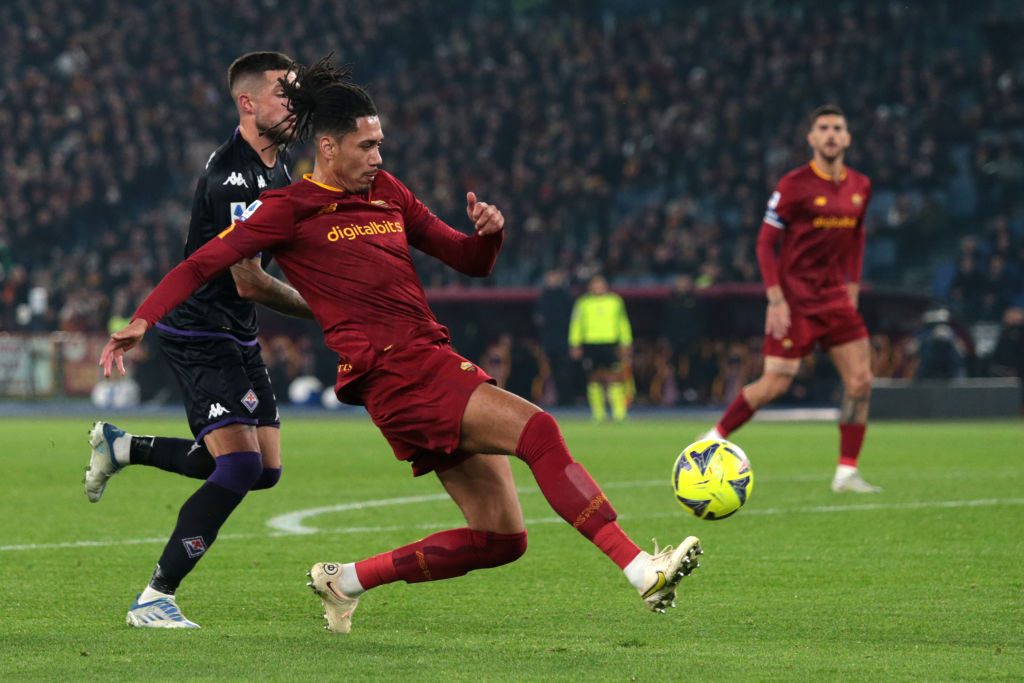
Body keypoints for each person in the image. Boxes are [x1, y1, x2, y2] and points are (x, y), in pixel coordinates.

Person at [99, 55, 703, 634]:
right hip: (398, 374)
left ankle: (345, 582)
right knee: (538, 430)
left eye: (380, 142)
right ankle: (640, 568)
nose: (378, 155)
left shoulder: (387, 190)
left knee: (501, 541)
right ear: (328, 147)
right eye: (367, 145)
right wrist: (142, 320)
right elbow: (204, 262)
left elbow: (468, 261)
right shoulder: (288, 209)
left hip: (423, 365)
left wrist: (488, 236)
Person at [85, 51, 315, 629]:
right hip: (199, 332)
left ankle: (124, 448)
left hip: (237, 332)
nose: (296, 104)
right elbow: (249, 278)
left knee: (265, 471)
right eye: (284, 94)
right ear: (248, 103)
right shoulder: (233, 176)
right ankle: (154, 596)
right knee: (237, 469)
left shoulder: (278, 168)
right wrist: (321, 311)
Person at [701, 104, 881, 493]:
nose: (831, 134)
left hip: (835, 299)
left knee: (861, 381)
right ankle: (712, 438)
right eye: (823, 128)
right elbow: (766, 242)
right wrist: (776, 299)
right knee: (776, 383)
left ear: (847, 138)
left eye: (838, 127)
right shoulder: (794, 184)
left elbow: (858, 236)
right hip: (796, 300)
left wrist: (853, 284)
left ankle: (846, 472)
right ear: (812, 138)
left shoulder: (860, 187)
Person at [568, 275, 634, 421]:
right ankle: (598, 414)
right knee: (593, 378)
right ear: (590, 287)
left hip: (611, 343)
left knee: (615, 378)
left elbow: (623, 323)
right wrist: (574, 343)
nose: (598, 287)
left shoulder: (615, 301)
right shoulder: (583, 303)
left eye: (601, 284)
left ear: (606, 286)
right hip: (591, 343)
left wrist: (626, 342)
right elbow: (576, 324)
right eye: (595, 285)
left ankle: (619, 413)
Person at [532, 268, 575, 405]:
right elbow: (538, 316)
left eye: (553, 276)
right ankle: (555, 399)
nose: (550, 279)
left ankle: (567, 400)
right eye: (548, 277)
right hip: (548, 340)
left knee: (565, 371)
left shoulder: (565, 295)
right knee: (550, 371)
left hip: (564, 339)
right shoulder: (544, 295)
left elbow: (572, 318)